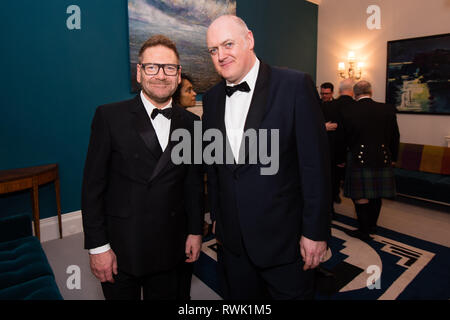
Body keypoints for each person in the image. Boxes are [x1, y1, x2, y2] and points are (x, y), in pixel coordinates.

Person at [202, 15, 331, 299]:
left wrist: (315, 232)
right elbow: (216, 167)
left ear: (249, 40)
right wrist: (217, 217)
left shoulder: (294, 85)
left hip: (286, 243)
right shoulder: (211, 99)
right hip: (232, 246)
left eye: (228, 44)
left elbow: (315, 168)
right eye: (213, 50)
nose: (221, 55)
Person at [81, 35, 204, 300]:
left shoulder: (194, 125)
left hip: (173, 248)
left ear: (179, 74)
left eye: (169, 68)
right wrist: (98, 247)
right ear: (139, 72)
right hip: (122, 248)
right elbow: (92, 188)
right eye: (152, 67)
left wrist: (195, 231)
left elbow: (193, 185)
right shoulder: (109, 117)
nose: (161, 75)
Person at [341, 80, 400, 242]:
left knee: (360, 196)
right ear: (371, 92)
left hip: (358, 157)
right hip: (383, 156)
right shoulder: (387, 109)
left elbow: (344, 138)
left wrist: (341, 158)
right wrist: (393, 157)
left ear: (355, 93)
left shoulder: (349, 110)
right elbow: (395, 136)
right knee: (376, 194)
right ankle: (372, 226)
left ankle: (364, 230)